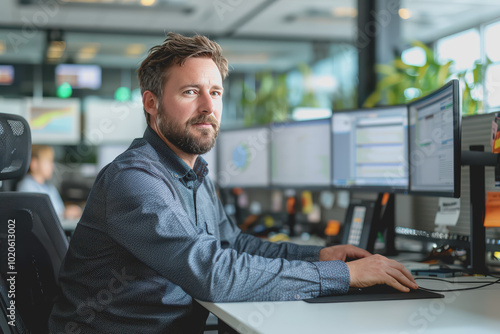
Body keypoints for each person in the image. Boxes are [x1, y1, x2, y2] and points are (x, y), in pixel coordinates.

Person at [48, 32, 417, 334]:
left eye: (217, 92)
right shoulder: (133, 181)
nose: (209, 106)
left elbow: (232, 244)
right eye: (191, 92)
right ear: (151, 103)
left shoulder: (195, 173)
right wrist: (345, 275)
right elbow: (213, 274)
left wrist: (318, 256)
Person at [17, 144, 82, 220]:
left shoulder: (50, 188)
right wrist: (65, 214)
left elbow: (59, 211)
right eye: (48, 161)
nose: (52, 166)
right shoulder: (27, 186)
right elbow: (38, 217)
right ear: (34, 163)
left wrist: (67, 212)